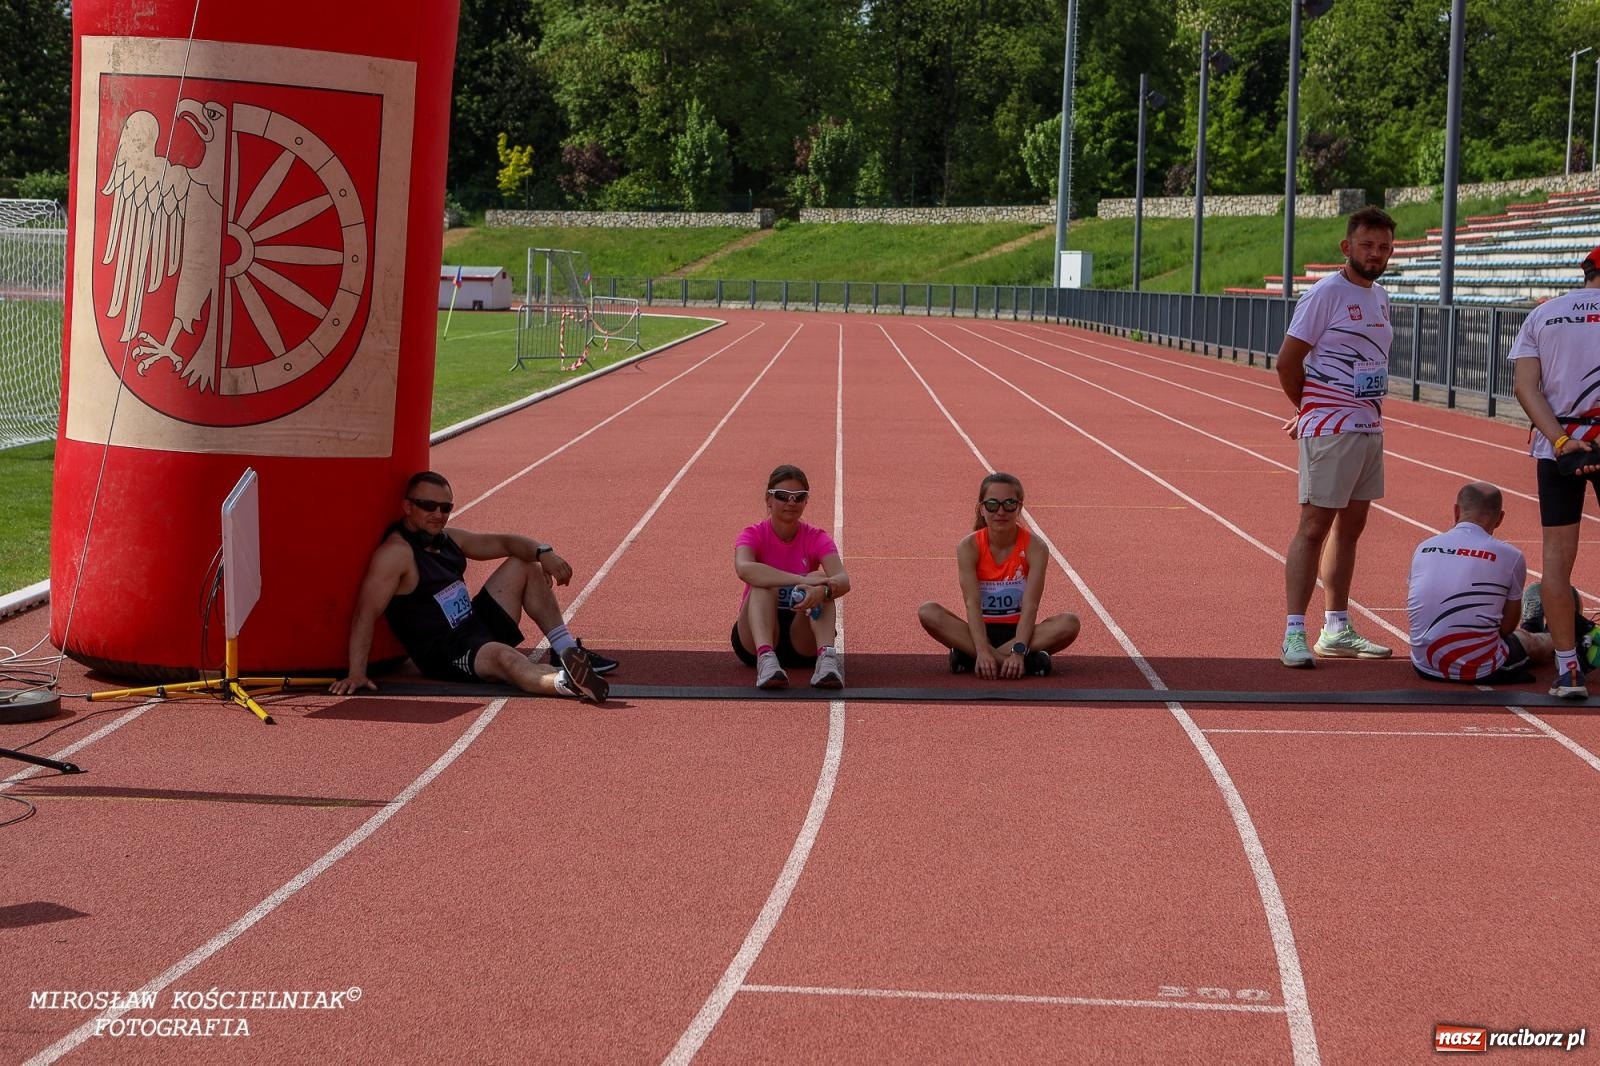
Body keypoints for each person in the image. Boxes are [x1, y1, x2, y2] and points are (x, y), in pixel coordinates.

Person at [329, 471, 616, 702]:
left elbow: (505, 543)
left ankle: (564, 650)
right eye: (428, 506)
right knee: (505, 658)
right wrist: (357, 673)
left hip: (473, 625)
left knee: (524, 563)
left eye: (446, 507)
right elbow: (365, 612)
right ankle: (565, 682)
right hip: (446, 651)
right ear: (407, 506)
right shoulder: (396, 555)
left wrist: (544, 552)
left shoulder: (447, 539)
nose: (438, 514)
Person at [1276, 205, 1398, 668]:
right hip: (1332, 428)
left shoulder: (1380, 296)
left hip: (1369, 426)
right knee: (1313, 529)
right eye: (1367, 245)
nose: (1375, 253)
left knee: (1350, 530)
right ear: (1347, 247)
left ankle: (1336, 628)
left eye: (1383, 247)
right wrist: (1308, 408)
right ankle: (1294, 633)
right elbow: (1287, 362)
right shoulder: (1325, 294)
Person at [1509, 244, 1600, 699]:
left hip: (1558, 447)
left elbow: (1525, 388)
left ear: (1586, 272)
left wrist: (1563, 441)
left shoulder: (1544, 314)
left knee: (1557, 562)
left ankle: (1568, 671)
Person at [916, 472, 1080, 678]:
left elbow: (1031, 605)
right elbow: (972, 603)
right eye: (992, 504)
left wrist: (1018, 650)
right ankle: (1019, 662)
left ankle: (970, 656)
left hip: (1021, 632)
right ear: (981, 508)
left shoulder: (1036, 547)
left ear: (1019, 507)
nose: (1001, 511)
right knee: (928, 612)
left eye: (1009, 504)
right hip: (978, 631)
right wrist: (983, 649)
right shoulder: (968, 546)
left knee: (1069, 623)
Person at [1407, 482, 1552, 685]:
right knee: (1530, 642)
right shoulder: (1511, 556)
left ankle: (1532, 627)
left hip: (1424, 664)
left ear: (1456, 511)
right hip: (1481, 669)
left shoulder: (1424, 547)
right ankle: (1562, 637)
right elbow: (1507, 627)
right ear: (1500, 518)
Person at [733, 464, 849, 690]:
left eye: (799, 497)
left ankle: (826, 659)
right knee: (763, 584)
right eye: (783, 496)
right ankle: (766, 659)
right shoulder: (753, 534)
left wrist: (822, 590)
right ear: (768, 499)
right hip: (755, 635)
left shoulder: (816, 537)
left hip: (801, 635)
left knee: (822, 581)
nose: (791, 502)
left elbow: (843, 580)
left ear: (806, 501)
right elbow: (744, 569)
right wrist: (802, 580)